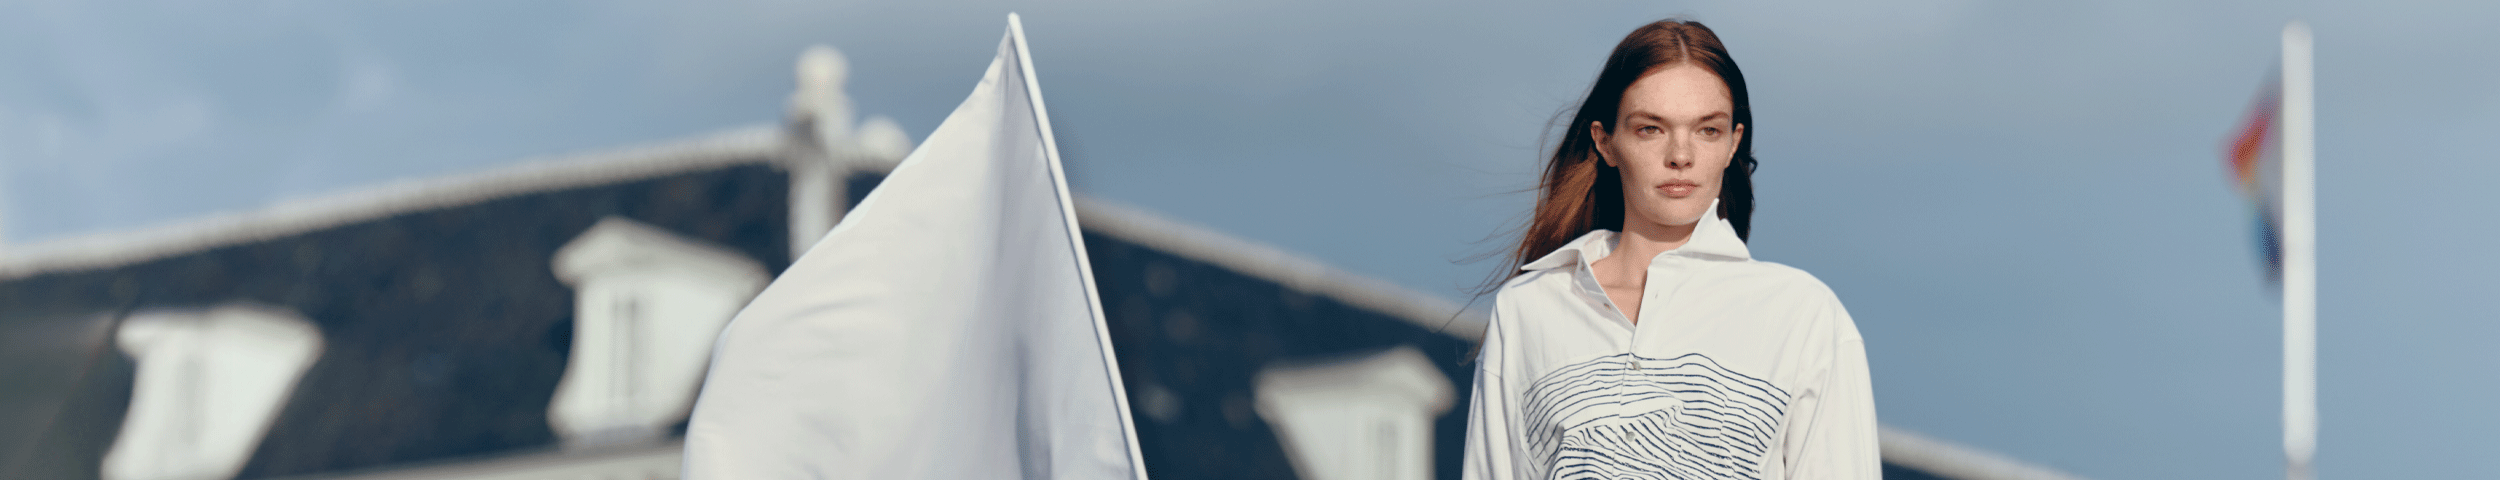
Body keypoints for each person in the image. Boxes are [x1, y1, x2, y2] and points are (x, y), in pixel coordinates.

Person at [1461, 19, 1878, 480]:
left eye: (1707, 130)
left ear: (1733, 143)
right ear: (1606, 142)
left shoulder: (1803, 316)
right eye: (1650, 129)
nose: (1681, 155)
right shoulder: (1530, 309)